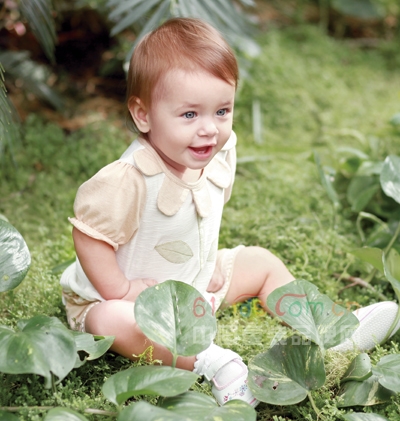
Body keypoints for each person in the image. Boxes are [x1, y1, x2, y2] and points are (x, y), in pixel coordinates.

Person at [60, 17, 399, 407]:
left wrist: (209, 264)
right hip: (127, 297)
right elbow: (89, 235)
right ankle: (216, 364)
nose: (209, 129)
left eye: (222, 111)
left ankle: (333, 327)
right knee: (114, 322)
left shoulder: (217, 152)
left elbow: (200, 212)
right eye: (189, 115)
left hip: (192, 285)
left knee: (260, 262)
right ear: (143, 115)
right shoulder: (129, 179)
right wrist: (119, 289)